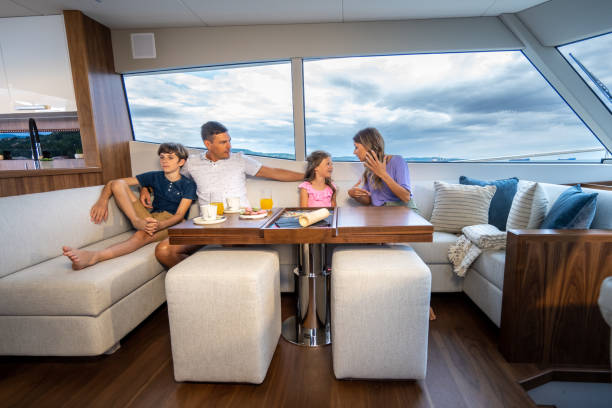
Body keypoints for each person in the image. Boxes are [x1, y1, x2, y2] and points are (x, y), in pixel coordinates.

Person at [146, 121, 304, 268]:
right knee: (164, 251)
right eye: (223, 142)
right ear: (208, 144)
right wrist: (146, 188)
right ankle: (206, 283)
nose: (229, 146)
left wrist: (309, 176)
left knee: (229, 241)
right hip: (208, 224)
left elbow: (274, 173)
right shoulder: (192, 163)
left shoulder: (240, 160)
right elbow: (171, 179)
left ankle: (218, 281)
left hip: (239, 221)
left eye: (229, 140)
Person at [347, 127, 436, 320]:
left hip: (402, 213)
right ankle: (382, 301)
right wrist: (355, 195)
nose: (354, 152)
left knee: (395, 251)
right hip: (382, 216)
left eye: (356, 147)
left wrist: (383, 172)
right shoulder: (368, 171)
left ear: (368, 144)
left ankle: (421, 302)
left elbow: (405, 195)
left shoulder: (397, 161)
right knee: (370, 248)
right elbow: (371, 201)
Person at [62, 143, 196, 270]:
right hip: (150, 217)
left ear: (181, 162)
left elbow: (179, 216)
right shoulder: (155, 176)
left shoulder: (188, 184)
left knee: (140, 236)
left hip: (171, 222)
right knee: (118, 184)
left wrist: (161, 225)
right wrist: (102, 200)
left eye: (170, 158)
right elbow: (115, 183)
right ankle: (136, 221)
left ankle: (94, 257)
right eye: (162, 157)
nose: (165, 161)